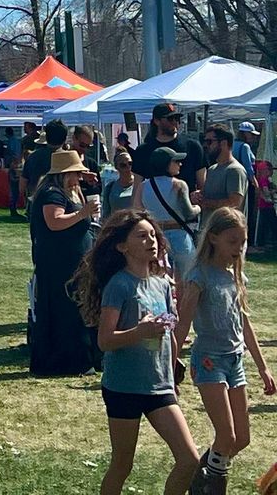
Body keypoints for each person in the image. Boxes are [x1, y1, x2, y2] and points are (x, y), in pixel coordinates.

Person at [72, 209, 199, 495]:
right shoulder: (119, 285)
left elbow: (169, 336)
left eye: (153, 235)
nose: (151, 241)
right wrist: (139, 332)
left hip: (159, 387)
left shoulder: (163, 285)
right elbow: (105, 341)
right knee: (122, 465)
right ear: (122, 246)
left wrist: (173, 371)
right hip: (123, 387)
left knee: (188, 459)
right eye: (141, 236)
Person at [176, 207, 276, 495]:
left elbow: (245, 324)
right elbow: (183, 324)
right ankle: (212, 486)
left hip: (235, 362)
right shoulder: (199, 276)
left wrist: (262, 366)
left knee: (241, 438)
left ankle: (203, 474)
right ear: (214, 238)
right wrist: (170, 362)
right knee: (226, 434)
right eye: (233, 241)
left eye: (242, 242)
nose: (239, 248)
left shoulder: (235, 277)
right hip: (209, 361)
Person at [28, 149, 97, 376]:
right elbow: (54, 222)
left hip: (71, 261)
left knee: (73, 310)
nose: (78, 178)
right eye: (75, 174)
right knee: (64, 311)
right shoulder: (52, 194)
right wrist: (82, 213)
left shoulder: (65, 191)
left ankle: (78, 357)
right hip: (59, 263)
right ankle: (67, 360)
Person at [139, 146, 199, 288]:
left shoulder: (143, 186)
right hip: (179, 235)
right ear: (166, 163)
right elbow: (189, 213)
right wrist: (199, 207)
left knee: (158, 279)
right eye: (176, 161)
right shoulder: (179, 185)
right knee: (186, 280)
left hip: (157, 235)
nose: (180, 164)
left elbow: (137, 210)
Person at [132, 102, 206, 195]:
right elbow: (137, 188)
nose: (175, 122)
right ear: (157, 121)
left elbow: (203, 185)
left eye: (177, 118)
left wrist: (197, 195)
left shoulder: (193, 146)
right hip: (153, 207)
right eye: (170, 119)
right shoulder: (143, 151)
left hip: (186, 206)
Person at [197, 126, 247, 215]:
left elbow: (234, 203)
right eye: (204, 142)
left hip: (227, 228)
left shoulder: (235, 170)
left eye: (209, 142)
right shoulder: (212, 169)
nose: (205, 146)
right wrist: (197, 195)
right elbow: (207, 194)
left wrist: (206, 203)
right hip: (209, 227)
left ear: (223, 143)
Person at [23, 119, 69, 199]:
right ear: (65, 138)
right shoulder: (69, 158)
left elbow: (22, 184)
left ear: (46, 137)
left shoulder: (33, 156)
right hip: (61, 202)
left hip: (35, 201)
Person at [232, 121, 261, 243]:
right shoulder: (245, 147)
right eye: (251, 134)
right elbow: (248, 167)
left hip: (234, 182)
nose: (253, 137)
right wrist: (255, 183)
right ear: (245, 134)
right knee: (246, 210)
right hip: (245, 183)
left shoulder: (232, 144)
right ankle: (246, 241)